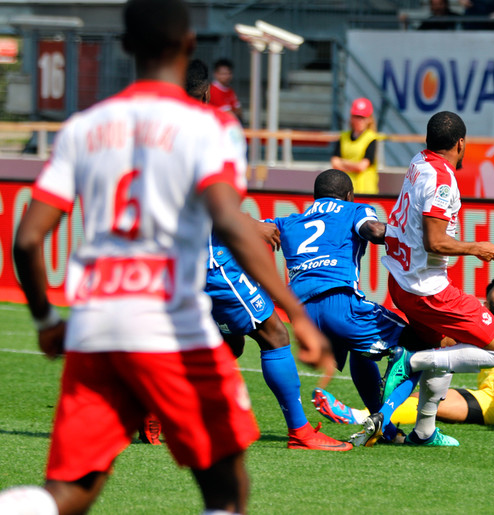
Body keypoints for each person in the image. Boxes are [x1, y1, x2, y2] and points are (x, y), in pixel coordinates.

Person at [0, 1, 330, 513]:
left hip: (97, 324)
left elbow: (26, 239)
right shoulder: (209, 129)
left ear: (126, 48)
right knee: (226, 487)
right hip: (170, 325)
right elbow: (227, 221)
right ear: (189, 46)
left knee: (71, 493)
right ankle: (297, 430)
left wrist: (46, 319)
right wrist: (297, 311)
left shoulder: (85, 127)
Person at [190, 62, 351, 452]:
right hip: (212, 258)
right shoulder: (201, 134)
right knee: (274, 334)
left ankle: (159, 412)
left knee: (225, 343)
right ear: (208, 94)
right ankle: (300, 431)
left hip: (177, 259)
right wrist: (251, 227)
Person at [331, 193, 494, 430]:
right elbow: (446, 343)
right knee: (428, 401)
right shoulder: (479, 323)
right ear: (485, 303)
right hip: (489, 398)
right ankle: (360, 415)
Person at [367, 110, 494, 447]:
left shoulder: (420, 161)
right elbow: (435, 241)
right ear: (461, 144)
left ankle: (424, 431)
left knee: (444, 347)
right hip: (427, 289)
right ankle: (411, 360)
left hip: (402, 280)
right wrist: (476, 248)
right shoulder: (443, 180)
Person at [270, 169, 443, 446]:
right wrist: (413, 235)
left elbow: (252, 230)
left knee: (361, 352)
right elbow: (373, 230)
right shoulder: (355, 209)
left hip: (301, 316)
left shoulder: (290, 220)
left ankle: (386, 432)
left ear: (315, 197)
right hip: (339, 304)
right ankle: (383, 417)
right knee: (423, 345)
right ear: (349, 195)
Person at [329, 97, 380, 195]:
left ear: (369, 119)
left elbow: (362, 166)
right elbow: (334, 162)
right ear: (351, 118)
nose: (359, 121)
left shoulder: (372, 138)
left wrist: (342, 163)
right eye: (357, 117)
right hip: (345, 190)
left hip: (365, 191)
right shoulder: (344, 137)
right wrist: (354, 165)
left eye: (363, 117)